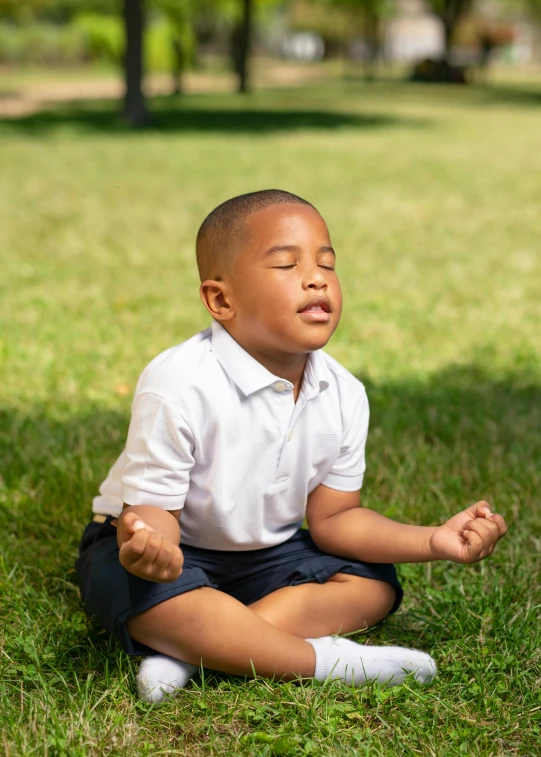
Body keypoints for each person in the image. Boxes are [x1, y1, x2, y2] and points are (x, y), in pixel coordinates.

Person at [76, 190, 507, 703]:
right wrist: (155, 554)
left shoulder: (343, 392)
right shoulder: (179, 383)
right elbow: (151, 514)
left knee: (374, 583)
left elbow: (335, 522)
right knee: (151, 596)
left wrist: (434, 540)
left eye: (327, 263)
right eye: (286, 264)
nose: (316, 277)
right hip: (163, 547)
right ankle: (331, 663)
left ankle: (193, 650)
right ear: (221, 301)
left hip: (264, 555)